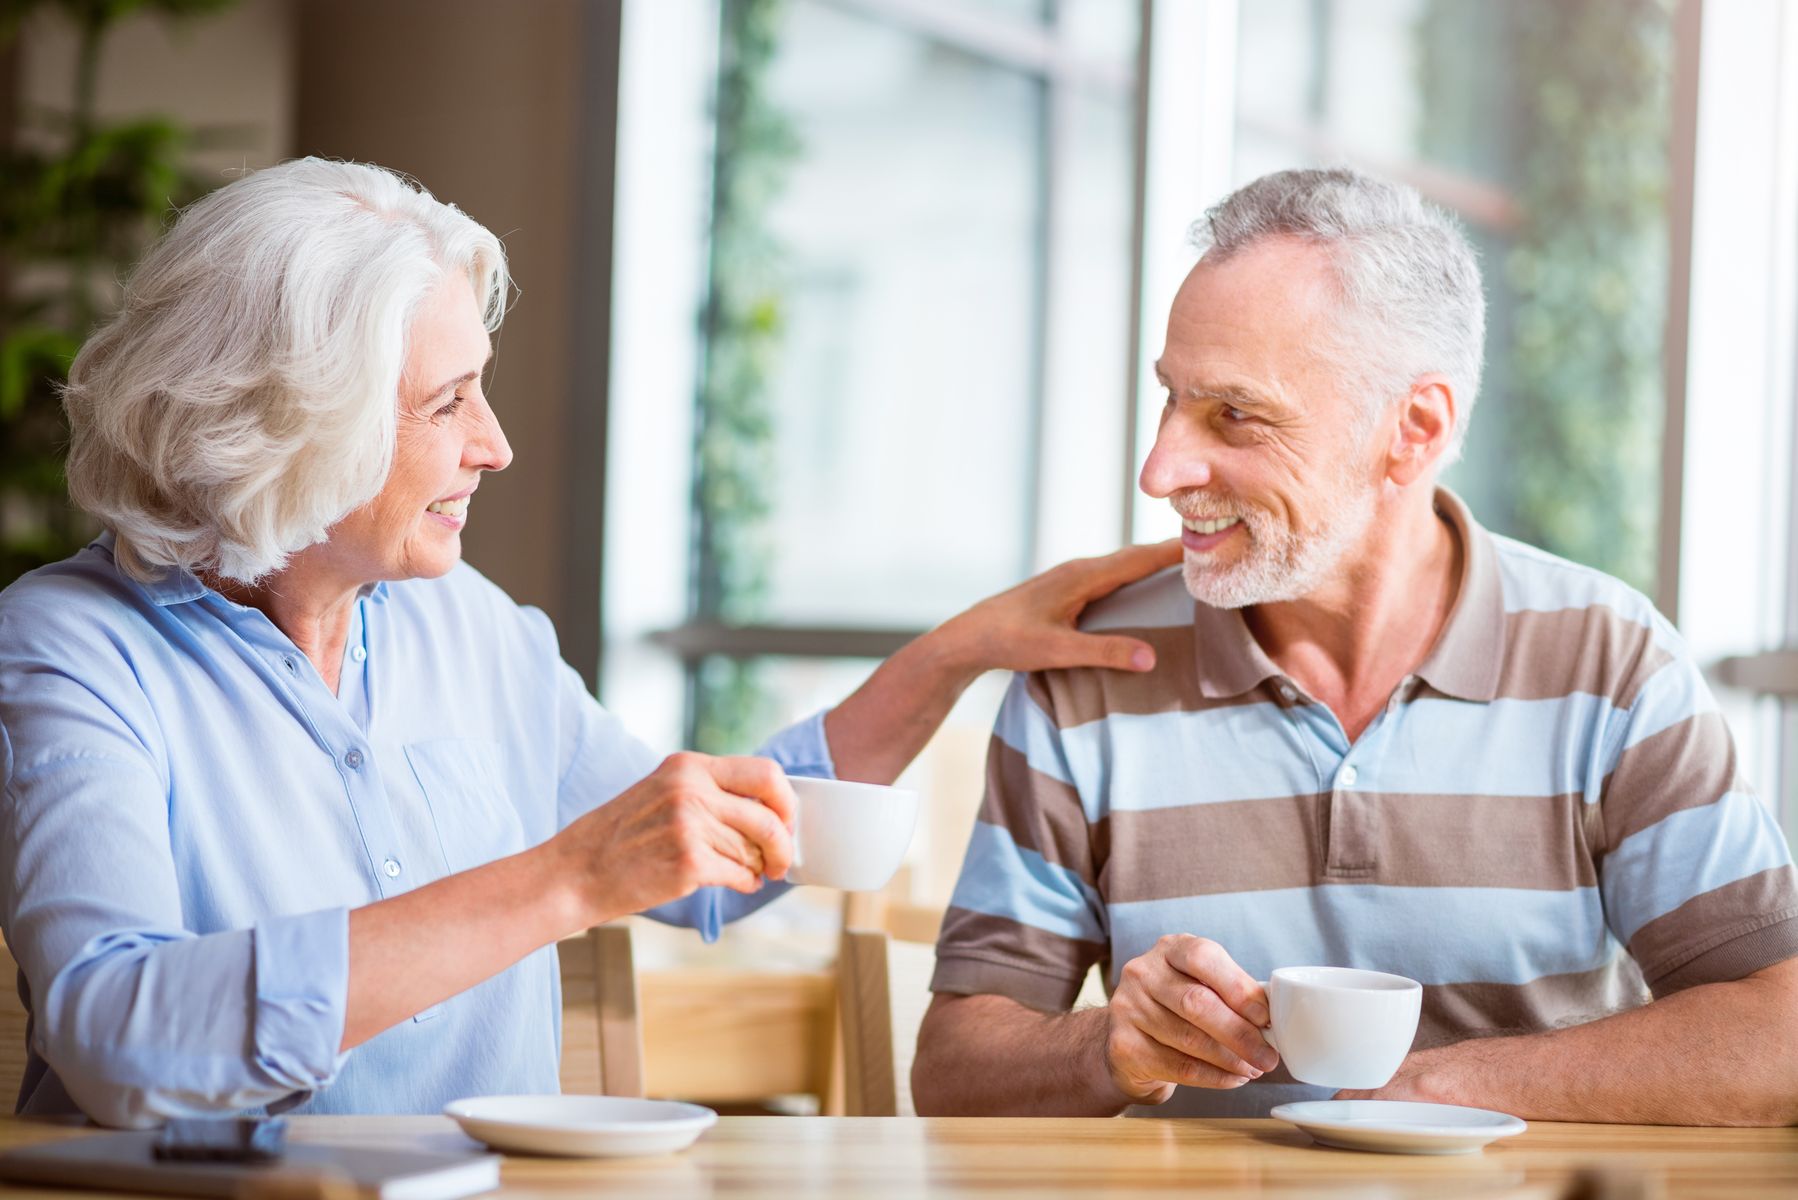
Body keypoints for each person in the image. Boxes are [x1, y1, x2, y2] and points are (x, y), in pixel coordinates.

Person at [0, 158, 1178, 1128]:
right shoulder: (72, 648)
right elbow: (117, 1037)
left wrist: (951, 657)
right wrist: (565, 878)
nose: (495, 444)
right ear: (289, 419)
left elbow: (710, 867)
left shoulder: (472, 628)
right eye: (448, 402)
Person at [912, 167, 1798, 1125]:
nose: (1161, 469)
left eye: (1235, 414)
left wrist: (1432, 1090)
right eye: (1171, 397)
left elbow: (1779, 1033)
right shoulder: (1092, 670)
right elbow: (952, 1071)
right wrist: (1108, 1049)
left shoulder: (1610, 663)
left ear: (1413, 429)